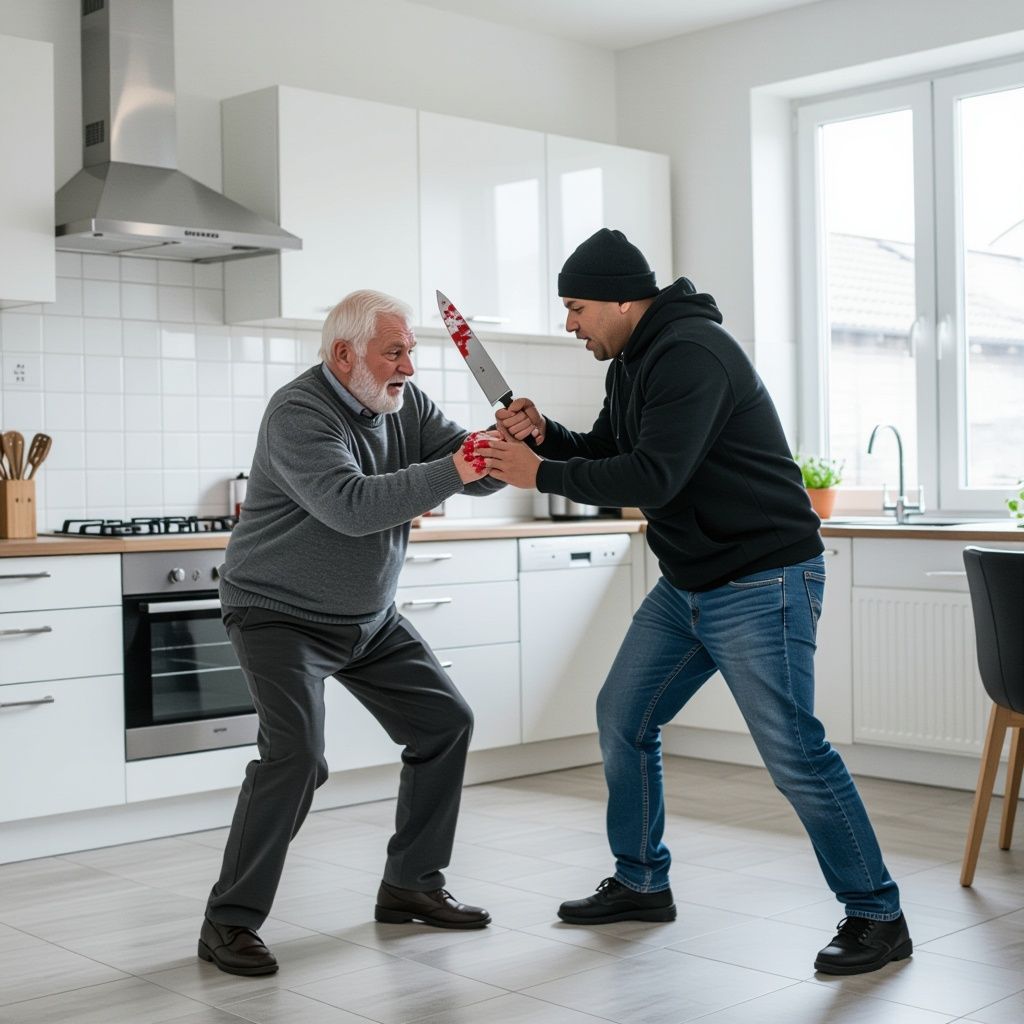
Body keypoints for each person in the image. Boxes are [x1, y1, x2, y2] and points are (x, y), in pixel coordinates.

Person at [485, 228, 912, 976]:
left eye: (577, 307)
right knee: (624, 715)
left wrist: (538, 472)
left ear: (623, 300)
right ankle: (642, 881)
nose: (570, 324)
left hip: (762, 578)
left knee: (794, 753)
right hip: (691, 580)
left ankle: (879, 914)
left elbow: (652, 479)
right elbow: (613, 450)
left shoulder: (692, 355)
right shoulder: (634, 360)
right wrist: (550, 437)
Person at [198, 289, 500, 977]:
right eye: (395, 353)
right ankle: (227, 922)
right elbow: (351, 507)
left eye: (411, 352)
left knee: (444, 722)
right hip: (278, 613)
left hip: (367, 617)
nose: (410, 369)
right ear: (344, 354)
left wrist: (503, 442)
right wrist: (459, 465)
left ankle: (411, 884)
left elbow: (472, 475)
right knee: (296, 758)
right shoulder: (300, 411)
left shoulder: (404, 405)